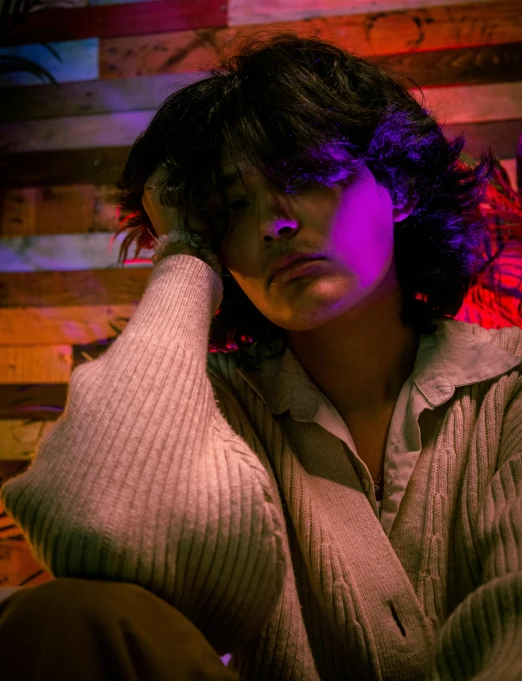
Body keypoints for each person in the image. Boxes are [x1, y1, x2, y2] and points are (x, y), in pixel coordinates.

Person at [1, 33, 521, 680]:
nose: (273, 223)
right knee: (63, 614)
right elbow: (99, 531)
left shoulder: (510, 388)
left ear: (398, 188)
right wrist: (185, 251)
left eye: (304, 175)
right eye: (233, 205)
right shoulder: (210, 408)